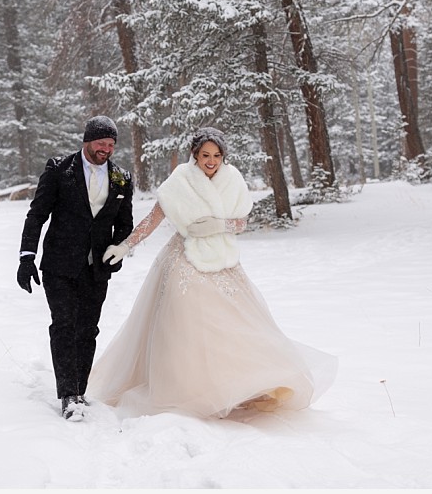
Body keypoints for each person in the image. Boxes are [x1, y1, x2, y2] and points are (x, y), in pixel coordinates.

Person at [89, 127, 336, 419]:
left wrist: (218, 226)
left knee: (237, 322)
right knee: (183, 324)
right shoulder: (179, 181)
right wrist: (126, 245)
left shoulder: (232, 180)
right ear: (195, 155)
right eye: (205, 155)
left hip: (223, 260)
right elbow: (155, 217)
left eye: (217, 155)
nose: (211, 161)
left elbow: (241, 222)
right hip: (184, 258)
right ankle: (188, 390)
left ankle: (245, 385)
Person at [17, 116, 134, 421]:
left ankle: (80, 390)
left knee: (88, 330)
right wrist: (26, 256)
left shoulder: (122, 178)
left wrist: (118, 250)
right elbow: (37, 214)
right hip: (59, 265)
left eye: (111, 144)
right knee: (64, 326)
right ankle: (69, 395)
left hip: (97, 270)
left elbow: (125, 224)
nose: (105, 149)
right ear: (86, 140)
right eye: (100, 142)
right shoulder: (59, 169)